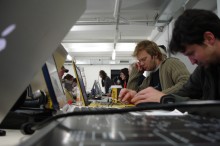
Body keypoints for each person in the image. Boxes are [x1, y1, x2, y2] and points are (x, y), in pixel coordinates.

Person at [119, 9, 220, 105]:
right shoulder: (205, 69)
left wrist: (162, 97)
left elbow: (206, 106)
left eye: (192, 53)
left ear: (209, 38)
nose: (192, 62)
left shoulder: (172, 63)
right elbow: (185, 92)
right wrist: (137, 95)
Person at [119, 40, 190, 104]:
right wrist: (135, 72)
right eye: (139, 61)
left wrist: (160, 96)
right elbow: (133, 96)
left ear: (155, 55)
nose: (141, 63)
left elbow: (186, 83)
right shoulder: (149, 77)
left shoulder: (171, 63)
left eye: (144, 59)